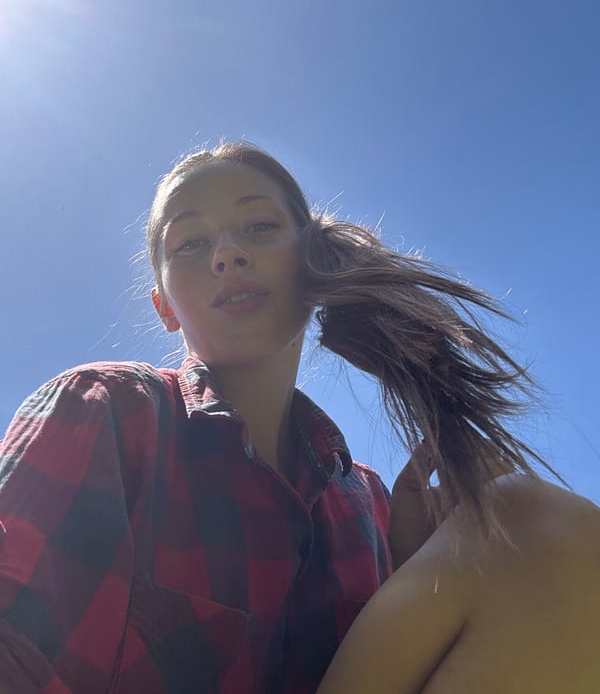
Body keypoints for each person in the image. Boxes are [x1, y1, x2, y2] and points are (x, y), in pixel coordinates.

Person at [0, 141, 598, 694]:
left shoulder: (369, 502)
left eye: (259, 227)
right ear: (164, 307)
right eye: (189, 243)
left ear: (312, 264)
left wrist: (411, 561)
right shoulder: (104, 410)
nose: (228, 254)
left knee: (525, 529)